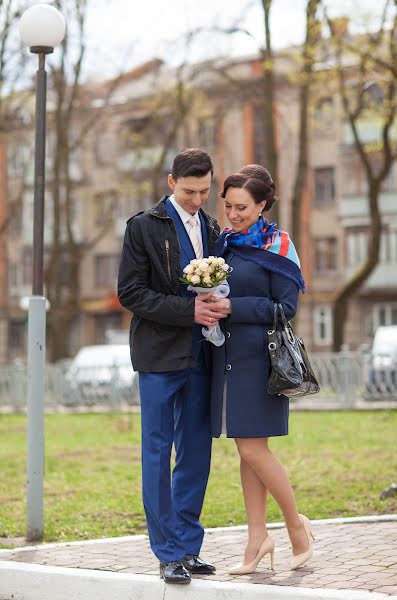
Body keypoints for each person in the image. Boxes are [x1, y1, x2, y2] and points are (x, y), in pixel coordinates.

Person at [117, 148, 230, 584]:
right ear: (171, 183)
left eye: (204, 191)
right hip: (160, 358)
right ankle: (166, 552)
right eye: (189, 191)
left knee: (197, 453)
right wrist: (189, 313)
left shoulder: (212, 226)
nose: (197, 199)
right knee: (158, 452)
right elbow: (131, 293)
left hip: (204, 355)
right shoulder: (142, 227)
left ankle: (187, 546)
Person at [210, 165, 315, 574]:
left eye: (242, 207)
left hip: (261, 361)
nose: (233, 214)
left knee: (254, 448)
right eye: (229, 206)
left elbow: (285, 309)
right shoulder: (225, 244)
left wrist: (235, 307)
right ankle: (257, 539)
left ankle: (295, 527)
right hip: (228, 360)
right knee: (246, 450)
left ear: (263, 205)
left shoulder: (279, 245)